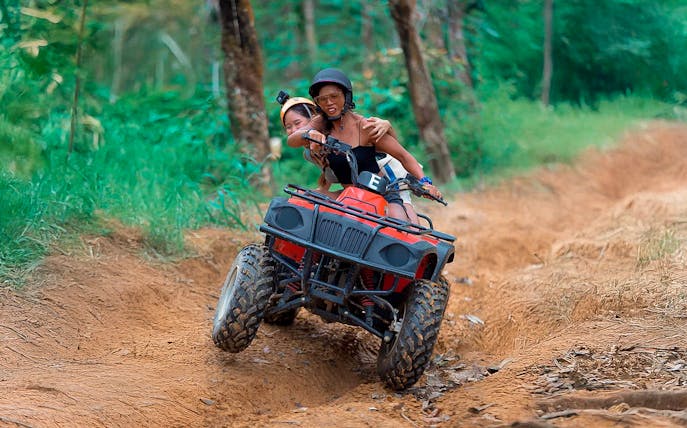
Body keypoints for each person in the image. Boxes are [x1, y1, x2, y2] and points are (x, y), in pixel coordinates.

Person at [286, 68, 442, 222]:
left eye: (334, 96)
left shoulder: (366, 127)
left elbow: (403, 155)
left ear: (346, 96)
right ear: (317, 102)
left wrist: (425, 182)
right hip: (348, 197)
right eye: (322, 99)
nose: (329, 102)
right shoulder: (319, 123)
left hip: (381, 195)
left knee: (402, 227)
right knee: (301, 199)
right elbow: (292, 140)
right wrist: (308, 134)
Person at [278, 91, 420, 223]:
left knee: (402, 208)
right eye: (288, 127)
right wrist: (318, 193)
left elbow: (393, 150)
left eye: (297, 123)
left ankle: (415, 235)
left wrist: (388, 126)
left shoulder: (341, 130)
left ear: (313, 119)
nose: (294, 130)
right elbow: (330, 172)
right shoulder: (310, 153)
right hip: (358, 185)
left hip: (388, 172)